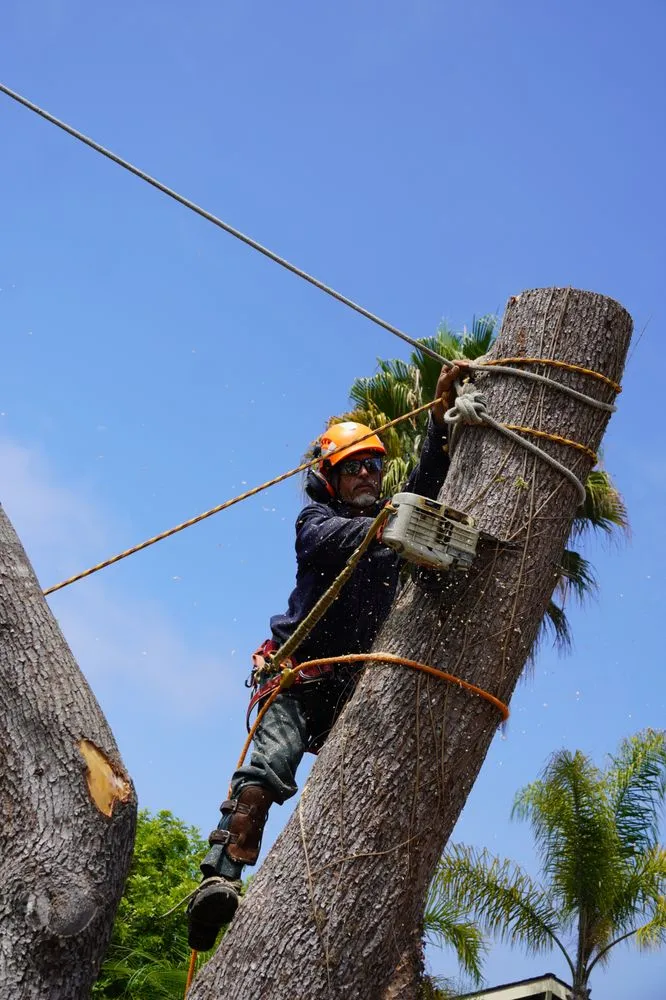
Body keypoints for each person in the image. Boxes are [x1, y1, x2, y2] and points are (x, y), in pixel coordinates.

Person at [187, 362, 468, 951]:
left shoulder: (390, 521)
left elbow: (424, 486)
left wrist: (440, 424)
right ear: (329, 478)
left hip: (359, 684)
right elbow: (332, 541)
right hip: (301, 673)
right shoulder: (319, 520)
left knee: (369, 778)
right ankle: (218, 879)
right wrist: (387, 526)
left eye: (373, 465)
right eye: (354, 467)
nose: (368, 474)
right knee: (270, 765)